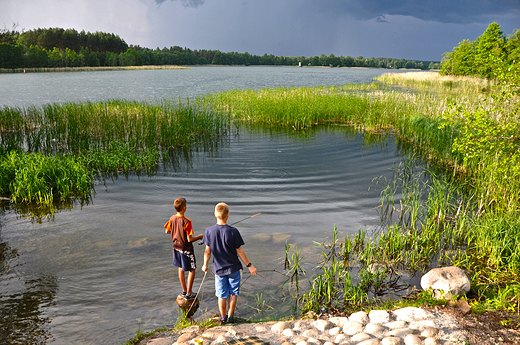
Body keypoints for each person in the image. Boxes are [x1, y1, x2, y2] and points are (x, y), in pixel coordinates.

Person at [202, 202, 257, 323]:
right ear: (228, 215)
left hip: (218, 269)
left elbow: (207, 251)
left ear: (215, 214)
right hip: (234, 269)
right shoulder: (233, 231)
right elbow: (240, 251)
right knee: (233, 293)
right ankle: (231, 317)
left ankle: (223, 318)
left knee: (221, 295)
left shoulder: (208, 231)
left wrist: (205, 264)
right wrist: (249, 265)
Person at [165, 198, 203, 299]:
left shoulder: (172, 218)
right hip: (186, 249)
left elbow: (167, 231)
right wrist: (200, 236)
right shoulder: (187, 221)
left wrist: (175, 232)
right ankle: (189, 293)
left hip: (176, 248)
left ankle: (184, 290)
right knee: (192, 269)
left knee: (180, 268)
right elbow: (189, 239)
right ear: (185, 208)